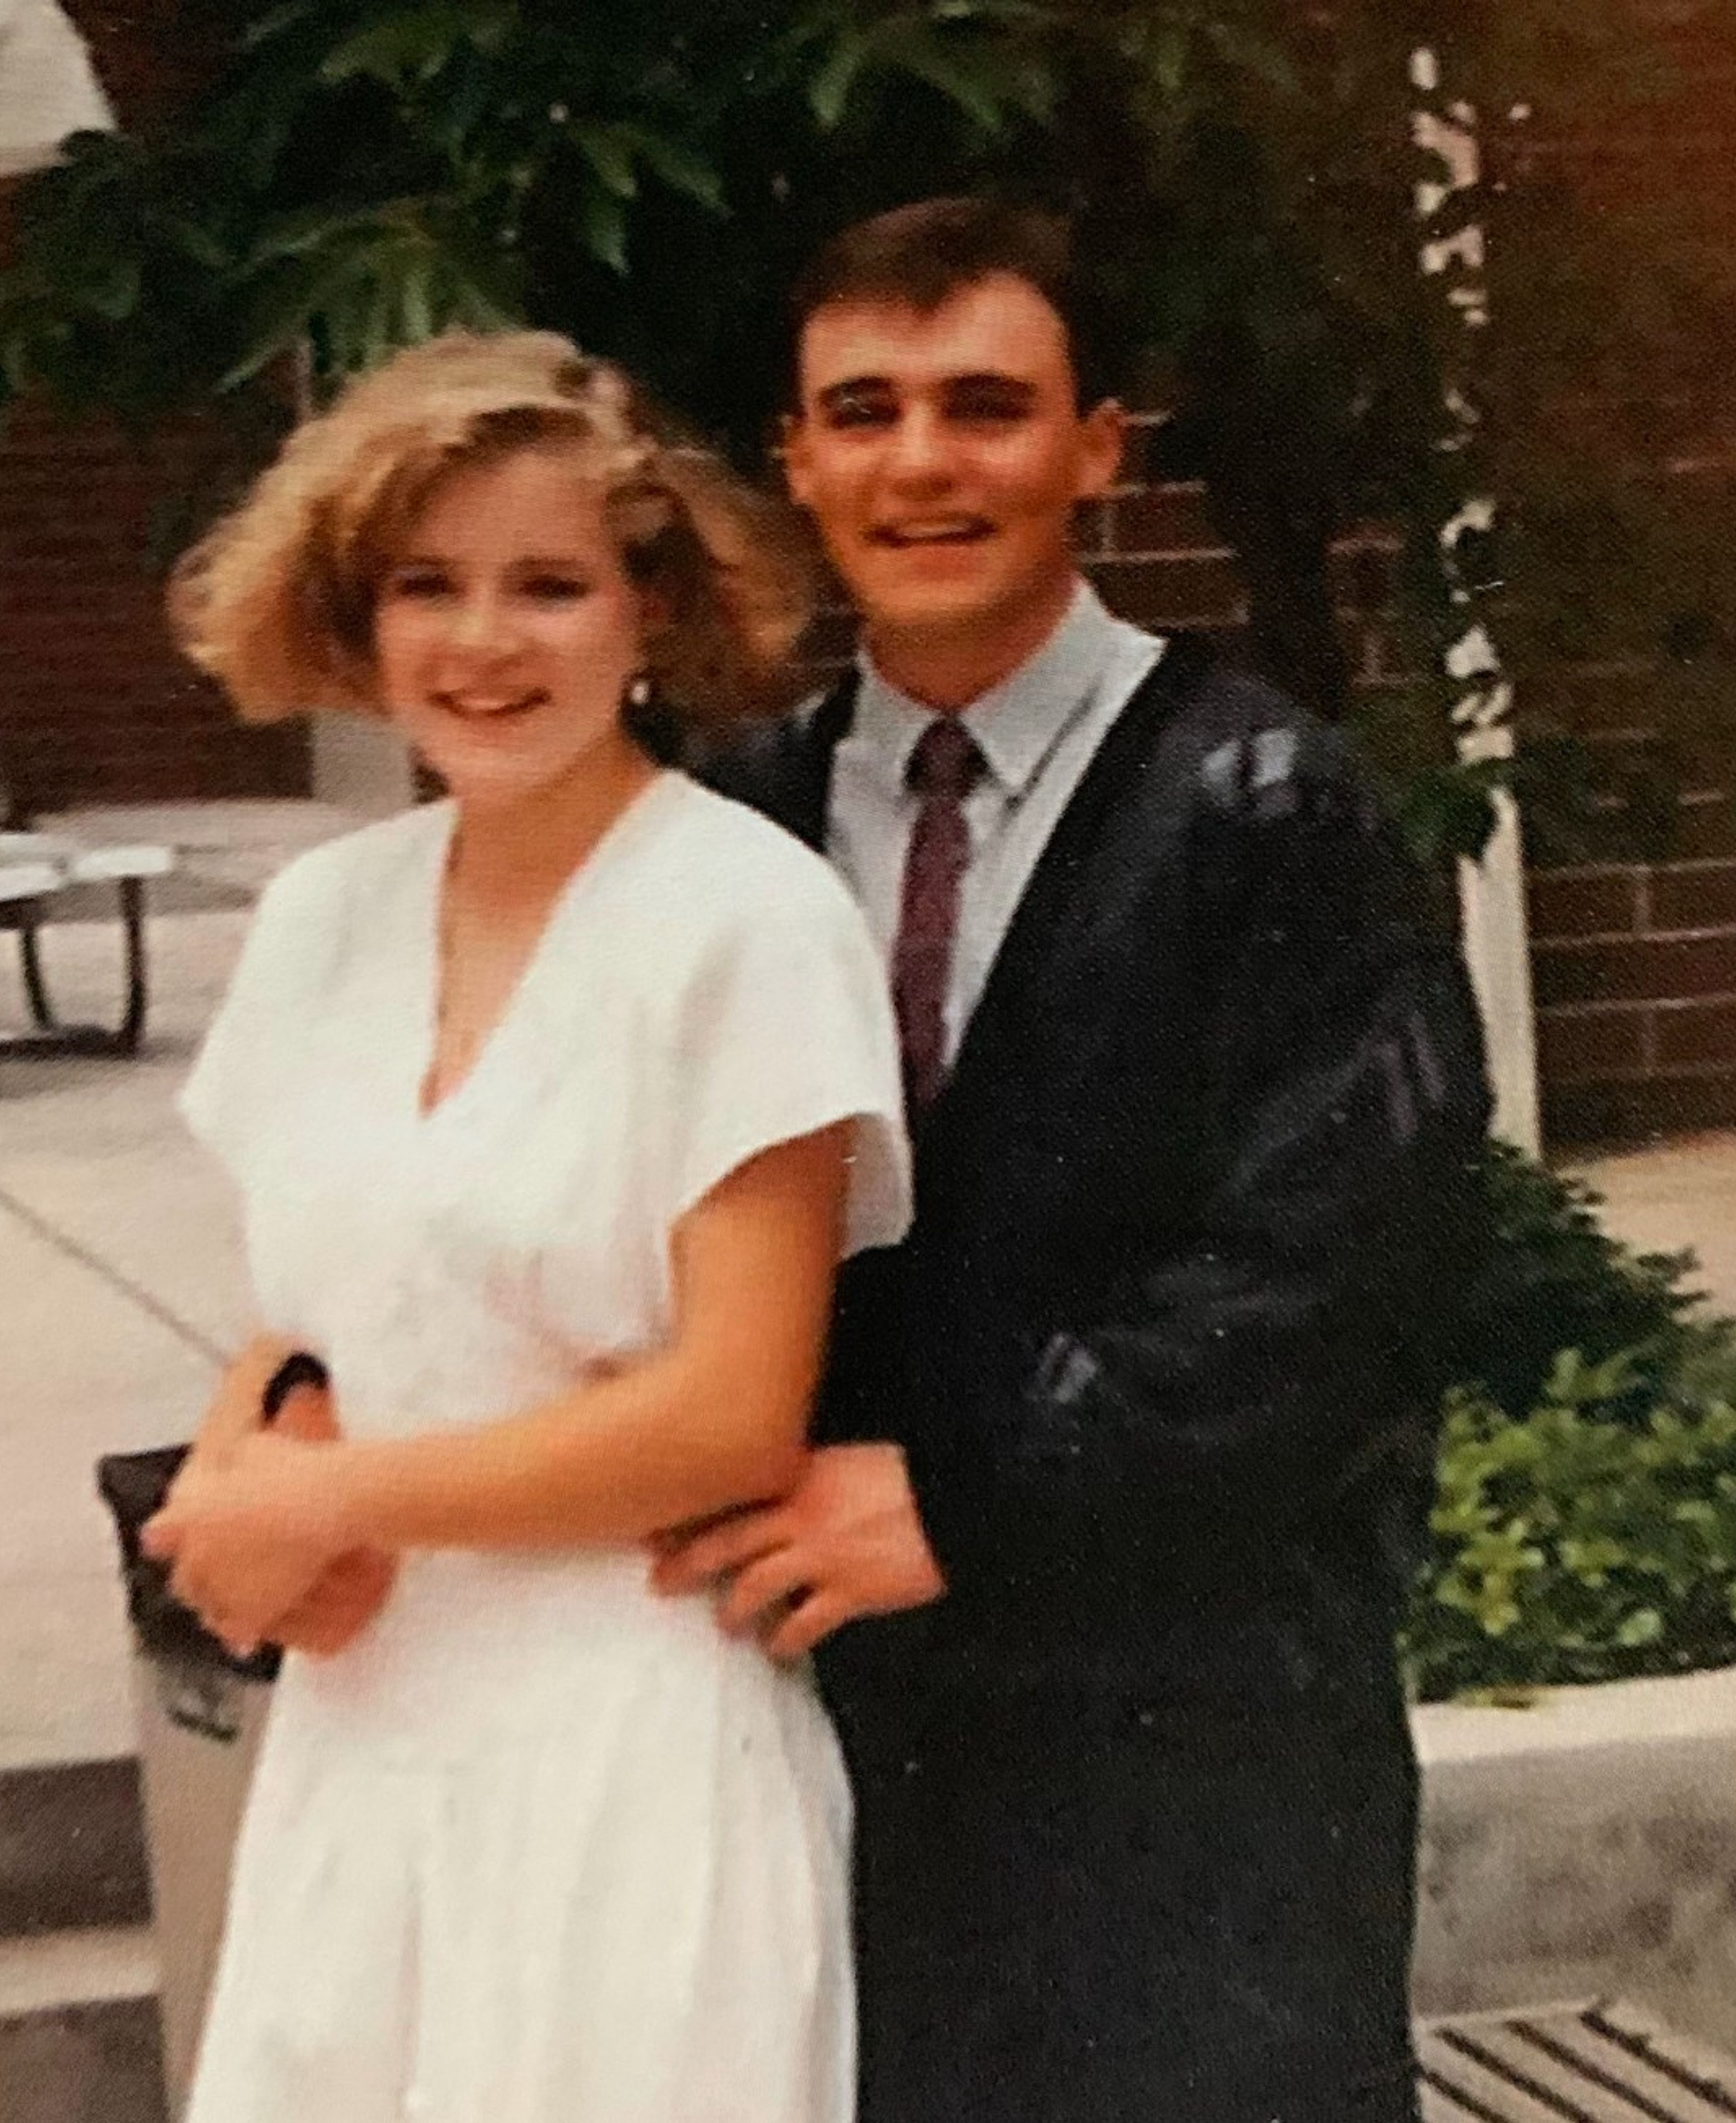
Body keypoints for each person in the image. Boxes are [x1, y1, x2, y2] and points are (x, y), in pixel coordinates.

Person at [653, 198, 1493, 2121]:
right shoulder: (725, 829)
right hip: (830, 1743)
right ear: (796, 461)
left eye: (987, 405)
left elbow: (1343, 1274)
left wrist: (972, 1493)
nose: (923, 461)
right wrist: (308, 1395)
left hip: (1190, 1758)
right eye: (862, 411)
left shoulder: (1265, 805)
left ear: (1098, 446)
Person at [140, 328, 911, 2123]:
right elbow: (327, 1304)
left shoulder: (743, 920)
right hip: (364, 1743)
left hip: (627, 1761)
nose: (484, 644)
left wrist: (333, 1497)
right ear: (357, 613)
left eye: (548, 585)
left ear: (649, 615)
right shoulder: (325, 914)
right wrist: (239, 1468)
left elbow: (731, 1414)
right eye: (430, 586)